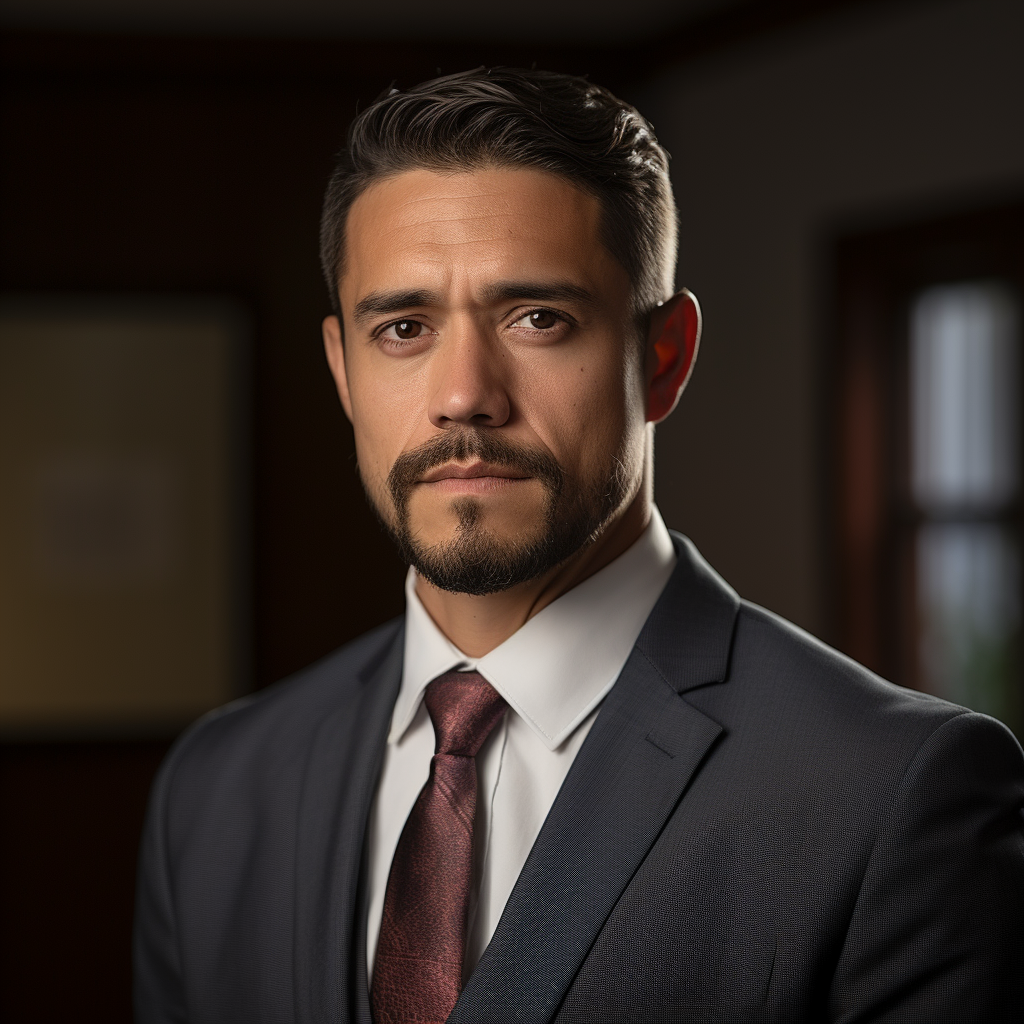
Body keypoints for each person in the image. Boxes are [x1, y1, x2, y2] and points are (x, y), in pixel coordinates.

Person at [134, 68, 1024, 1024]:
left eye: (537, 319)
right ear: (343, 372)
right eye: (402, 328)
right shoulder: (215, 791)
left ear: (665, 358)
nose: (464, 393)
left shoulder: (892, 796)